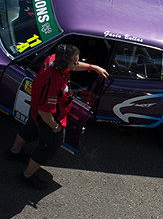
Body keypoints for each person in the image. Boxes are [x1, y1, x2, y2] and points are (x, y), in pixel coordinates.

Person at [7, 43, 108, 189]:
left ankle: (13, 152)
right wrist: (55, 126)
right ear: (63, 63)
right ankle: (26, 176)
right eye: (74, 62)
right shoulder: (53, 81)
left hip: (35, 111)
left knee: (29, 129)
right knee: (48, 148)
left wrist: (93, 68)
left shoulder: (53, 59)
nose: (76, 64)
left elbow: (73, 65)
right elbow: (45, 111)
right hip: (48, 119)